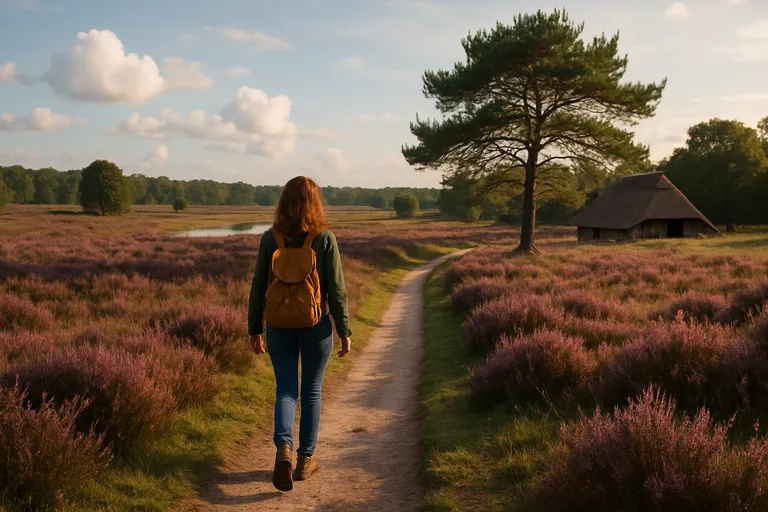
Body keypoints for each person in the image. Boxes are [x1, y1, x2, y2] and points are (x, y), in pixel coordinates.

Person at [247, 176, 352, 492]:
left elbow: (257, 288)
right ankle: (305, 461)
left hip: (279, 326)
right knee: (312, 392)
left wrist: (254, 329)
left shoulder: (270, 238)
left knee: (286, 390)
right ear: (314, 202)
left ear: (283, 202)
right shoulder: (324, 239)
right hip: (315, 327)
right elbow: (337, 290)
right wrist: (344, 330)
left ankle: (283, 449)